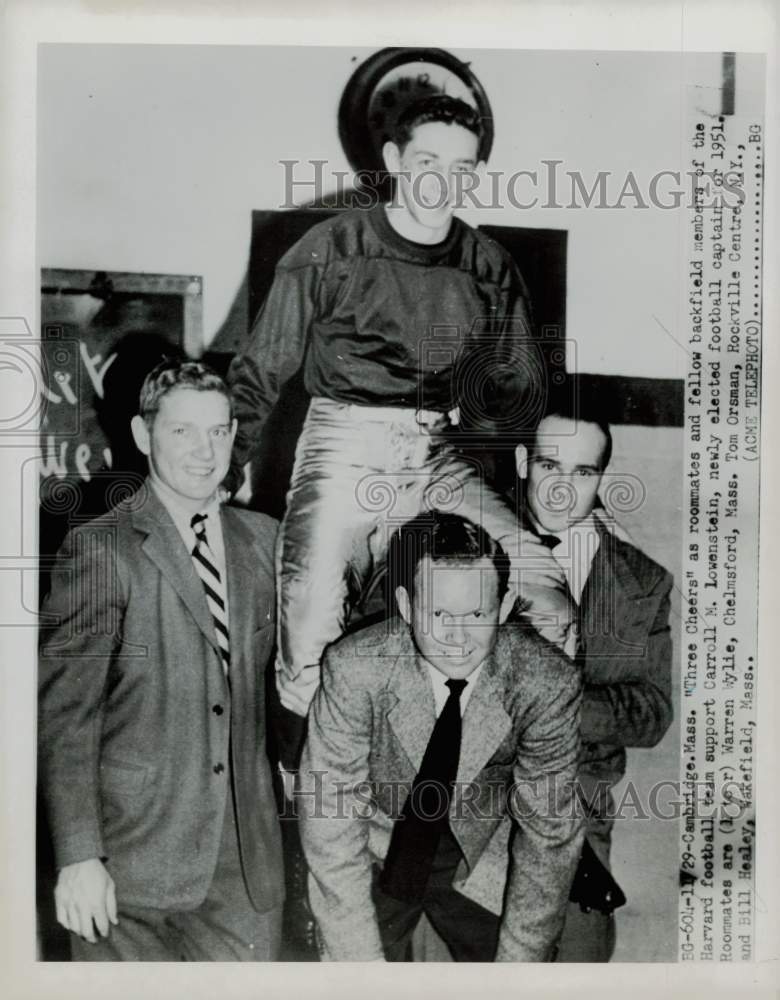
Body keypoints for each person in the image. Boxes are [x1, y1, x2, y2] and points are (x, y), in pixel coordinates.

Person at [226, 94, 572, 726]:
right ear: (394, 160)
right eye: (428, 162)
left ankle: (472, 773)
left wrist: (538, 492)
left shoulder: (489, 267)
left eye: (462, 167)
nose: (444, 183)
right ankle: (310, 809)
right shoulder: (331, 248)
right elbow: (260, 370)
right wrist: (216, 480)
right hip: (344, 447)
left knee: (548, 598)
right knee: (309, 638)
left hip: (440, 454)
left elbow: (515, 395)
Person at [38, 360, 284, 961]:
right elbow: (65, 718)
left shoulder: (267, 540)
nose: (205, 451)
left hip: (244, 869)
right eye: (182, 432)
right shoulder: (100, 547)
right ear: (144, 435)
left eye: (219, 431)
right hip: (130, 865)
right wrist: (78, 857)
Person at [298, 511, 583, 962]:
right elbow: (330, 819)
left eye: (476, 613)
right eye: (439, 614)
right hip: (378, 846)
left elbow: (547, 839)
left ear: (505, 608)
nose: (457, 637)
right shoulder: (355, 667)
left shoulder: (545, 681)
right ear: (408, 607)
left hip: (483, 848)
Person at [514, 393, 674, 961]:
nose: (561, 488)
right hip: (467, 811)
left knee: (578, 967)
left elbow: (652, 712)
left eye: (582, 472)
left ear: (601, 477)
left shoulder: (641, 581)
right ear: (520, 462)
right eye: (548, 465)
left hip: (581, 819)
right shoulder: (469, 548)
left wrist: (555, 706)